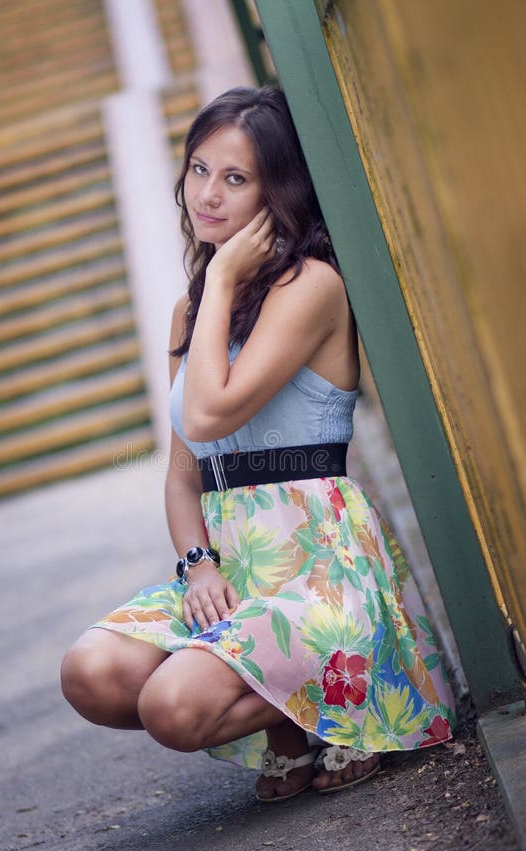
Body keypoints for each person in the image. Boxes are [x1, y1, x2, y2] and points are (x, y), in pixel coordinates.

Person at [61, 85, 455, 802]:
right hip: (233, 570)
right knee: (91, 674)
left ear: (279, 190)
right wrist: (197, 565)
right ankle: (299, 718)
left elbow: (210, 414)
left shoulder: (310, 287)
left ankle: (342, 702)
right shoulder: (194, 305)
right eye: (199, 169)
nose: (207, 194)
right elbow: (186, 471)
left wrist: (221, 283)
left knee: (171, 709)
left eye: (236, 178)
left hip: (320, 566)